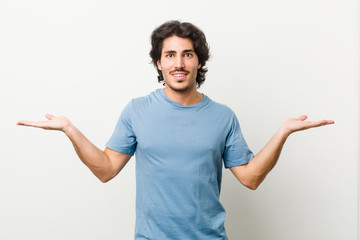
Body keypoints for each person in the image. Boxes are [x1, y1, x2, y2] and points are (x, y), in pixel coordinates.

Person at [17, 20, 334, 240]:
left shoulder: (223, 117)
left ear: (198, 61)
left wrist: (283, 132)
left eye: (187, 54)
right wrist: (70, 129)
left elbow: (250, 178)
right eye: (170, 55)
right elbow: (106, 169)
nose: (178, 63)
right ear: (158, 63)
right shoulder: (137, 110)